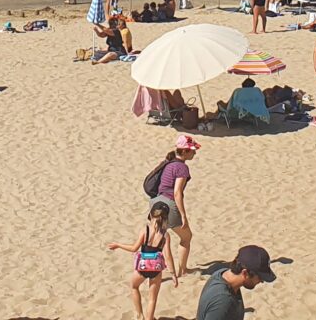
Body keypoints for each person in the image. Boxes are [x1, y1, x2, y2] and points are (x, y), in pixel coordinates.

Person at [108, 200, 173, 320]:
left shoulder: (145, 230)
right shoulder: (165, 235)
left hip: (143, 266)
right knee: (152, 298)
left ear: (151, 214)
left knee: (134, 286)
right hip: (156, 268)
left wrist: (118, 245)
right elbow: (168, 255)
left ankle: (140, 314)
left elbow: (134, 248)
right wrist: (173, 274)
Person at [149, 135, 199, 286]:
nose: (194, 153)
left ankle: (149, 271)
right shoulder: (182, 167)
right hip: (169, 203)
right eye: (191, 150)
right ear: (184, 151)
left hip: (155, 202)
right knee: (186, 237)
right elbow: (177, 193)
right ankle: (182, 270)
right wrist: (183, 215)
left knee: (156, 239)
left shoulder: (169, 163)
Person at [194, 245, 273, 320]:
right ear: (245, 273)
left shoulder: (222, 274)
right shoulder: (223, 302)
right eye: (259, 277)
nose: (262, 281)